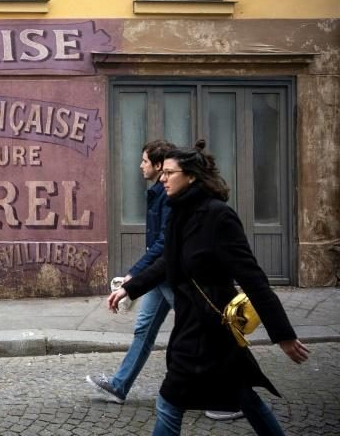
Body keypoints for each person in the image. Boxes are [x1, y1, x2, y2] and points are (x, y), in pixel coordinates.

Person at [108, 140, 310, 436]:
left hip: (210, 329)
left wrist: (283, 334)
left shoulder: (218, 216)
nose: (162, 178)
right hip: (193, 324)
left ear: (190, 176)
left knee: (169, 402)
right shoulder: (179, 213)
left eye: (169, 173)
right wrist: (131, 287)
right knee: (244, 397)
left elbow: (254, 279)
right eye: (162, 172)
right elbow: (167, 261)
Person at [86, 140, 175, 404]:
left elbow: (164, 242)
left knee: (199, 333)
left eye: (145, 161)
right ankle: (119, 386)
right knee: (144, 330)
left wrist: (136, 272)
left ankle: (229, 397)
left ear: (158, 165)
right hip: (158, 276)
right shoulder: (159, 192)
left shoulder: (168, 195)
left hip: (170, 275)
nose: (140, 166)